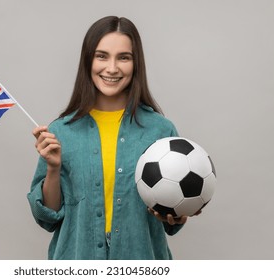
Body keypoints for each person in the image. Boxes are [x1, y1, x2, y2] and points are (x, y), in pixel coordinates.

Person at [27, 16, 190, 260]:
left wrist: (178, 212)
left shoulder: (161, 131)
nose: (112, 68)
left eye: (123, 57)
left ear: (136, 64)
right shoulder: (61, 131)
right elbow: (47, 218)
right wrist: (53, 168)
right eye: (101, 56)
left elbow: (173, 221)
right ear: (88, 60)